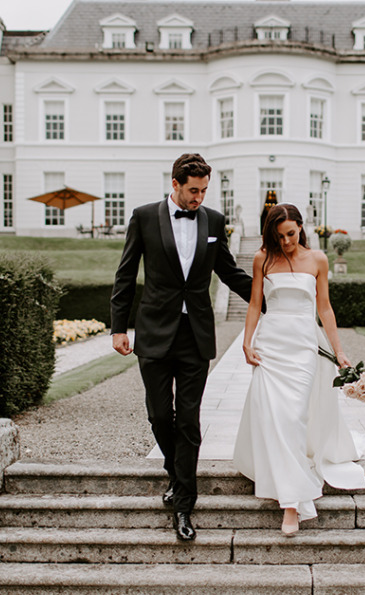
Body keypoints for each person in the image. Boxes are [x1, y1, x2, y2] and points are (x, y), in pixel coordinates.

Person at [111, 153, 253, 542]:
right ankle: (176, 475)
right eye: (193, 190)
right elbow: (125, 273)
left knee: (188, 420)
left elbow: (228, 270)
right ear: (175, 184)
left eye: (204, 190)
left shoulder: (214, 221)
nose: (199, 198)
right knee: (160, 415)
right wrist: (118, 327)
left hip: (196, 335)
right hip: (154, 332)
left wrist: (271, 297)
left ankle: (184, 503)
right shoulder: (143, 217)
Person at [233, 204, 365, 536]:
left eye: (291, 234)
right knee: (273, 416)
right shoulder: (262, 259)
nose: (287, 242)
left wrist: (339, 351)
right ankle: (291, 504)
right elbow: (254, 304)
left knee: (293, 417)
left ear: (301, 228)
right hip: (271, 346)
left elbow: (324, 307)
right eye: (280, 236)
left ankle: (292, 497)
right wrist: (247, 342)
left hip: (303, 347)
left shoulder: (318, 260)